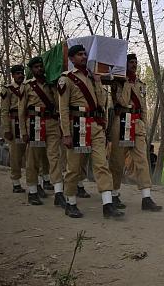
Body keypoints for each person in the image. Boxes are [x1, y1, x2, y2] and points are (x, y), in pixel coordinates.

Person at [58, 44, 123, 219]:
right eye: (79, 55)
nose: (83, 57)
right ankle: (70, 202)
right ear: (71, 59)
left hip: (95, 125)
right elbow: (63, 109)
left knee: (101, 164)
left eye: (84, 54)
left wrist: (97, 81)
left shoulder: (91, 76)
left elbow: (101, 102)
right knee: (74, 167)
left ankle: (107, 204)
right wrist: (66, 133)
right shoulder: (67, 79)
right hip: (77, 125)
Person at [108, 53, 161, 212]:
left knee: (142, 160)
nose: (134, 64)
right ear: (124, 65)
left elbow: (143, 106)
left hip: (137, 123)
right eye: (131, 62)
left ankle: (146, 197)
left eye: (135, 62)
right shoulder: (117, 83)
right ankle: (115, 194)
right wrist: (126, 83)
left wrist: (144, 123)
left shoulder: (141, 84)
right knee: (117, 161)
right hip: (122, 121)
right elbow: (123, 101)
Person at [18, 56, 65, 207]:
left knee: (54, 157)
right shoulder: (26, 86)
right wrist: (23, 131)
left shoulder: (51, 84)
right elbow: (21, 111)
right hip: (35, 123)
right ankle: (32, 191)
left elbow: (59, 104)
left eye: (41, 66)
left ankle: (59, 193)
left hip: (51, 123)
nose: (39, 69)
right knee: (33, 159)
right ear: (31, 70)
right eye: (36, 67)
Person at [0, 65, 27, 193]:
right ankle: (16, 182)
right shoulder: (8, 89)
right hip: (14, 123)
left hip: (27, 123)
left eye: (21, 73)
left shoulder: (28, 87)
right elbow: (4, 111)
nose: (20, 75)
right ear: (13, 75)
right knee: (15, 156)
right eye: (17, 73)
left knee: (31, 154)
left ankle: (37, 181)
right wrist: (7, 129)